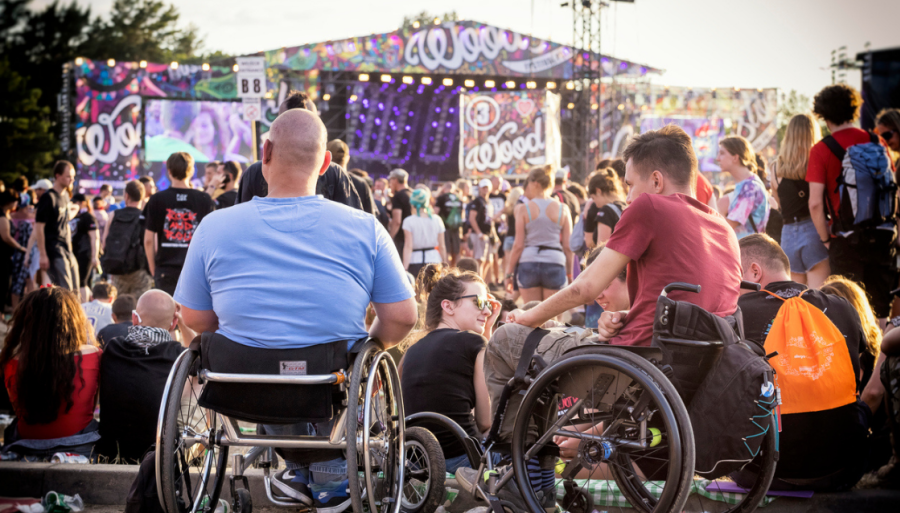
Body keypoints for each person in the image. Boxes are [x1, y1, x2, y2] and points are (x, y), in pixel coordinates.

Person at [175, 108, 417, 511]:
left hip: (240, 380)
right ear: (326, 163)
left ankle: (301, 468)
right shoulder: (365, 227)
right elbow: (402, 318)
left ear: (264, 153)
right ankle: (323, 469)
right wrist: (369, 348)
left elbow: (196, 321)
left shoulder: (214, 227)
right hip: (328, 379)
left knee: (271, 365)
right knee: (331, 367)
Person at [509, 125, 741, 346]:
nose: (628, 197)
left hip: (635, 360)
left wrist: (527, 318)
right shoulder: (725, 230)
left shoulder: (650, 206)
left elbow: (585, 289)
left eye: (630, 184)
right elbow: (694, 313)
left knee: (507, 339)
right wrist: (626, 315)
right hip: (689, 369)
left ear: (657, 181)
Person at [736, 234, 869, 491]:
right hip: (843, 468)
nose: (731, 286)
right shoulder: (843, 307)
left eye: (733, 276)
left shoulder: (738, 312)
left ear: (754, 272)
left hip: (764, 473)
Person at [807, 84, 897, 324]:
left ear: (823, 115)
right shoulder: (876, 141)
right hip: (881, 236)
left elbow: (815, 203)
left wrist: (826, 239)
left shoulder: (821, 149)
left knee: (847, 308)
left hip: (845, 240)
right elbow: (892, 186)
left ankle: (855, 361)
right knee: (880, 311)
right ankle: (881, 361)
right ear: (854, 109)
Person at [400, 268, 501, 472]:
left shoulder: (411, 351)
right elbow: (485, 421)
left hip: (417, 462)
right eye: (479, 302)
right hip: (463, 459)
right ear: (448, 306)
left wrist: (487, 330)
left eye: (488, 304)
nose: (488, 311)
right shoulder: (473, 343)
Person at [0, 287, 101, 458]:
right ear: (74, 320)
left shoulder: (10, 362)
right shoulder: (95, 356)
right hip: (80, 445)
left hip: (26, 445)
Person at [97, 290, 191, 462]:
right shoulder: (178, 354)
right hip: (159, 454)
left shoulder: (112, 348)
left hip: (112, 451)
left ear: (134, 318)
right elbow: (198, 356)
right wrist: (182, 323)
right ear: (173, 324)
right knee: (196, 380)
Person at [235, 91, 362, 211]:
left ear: (266, 150)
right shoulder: (335, 174)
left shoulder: (254, 173)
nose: (299, 127)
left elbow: (241, 224)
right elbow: (354, 226)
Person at [769, 113, 830, 288]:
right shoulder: (817, 163)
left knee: (795, 299)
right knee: (819, 298)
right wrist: (827, 240)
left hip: (788, 235)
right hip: (814, 231)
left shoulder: (775, 168)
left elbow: (780, 205)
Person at [143, 152, 217, 296]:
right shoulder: (204, 199)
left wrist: (154, 270)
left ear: (169, 171)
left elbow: (148, 240)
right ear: (191, 171)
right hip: (196, 270)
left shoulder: (157, 199)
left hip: (165, 270)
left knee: (168, 315)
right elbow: (211, 238)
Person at [504, 166, 573, 302]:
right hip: (555, 261)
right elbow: (568, 247)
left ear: (535, 184)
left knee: (532, 314)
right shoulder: (562, 209)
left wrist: (509, 273)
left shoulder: (523, 209)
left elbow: (518, 245)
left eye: (528, 182)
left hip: (529, 261)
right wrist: (569, 273)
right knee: (552, 318)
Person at [103, 180, 153, 299]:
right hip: (140, 271)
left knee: (121, 306)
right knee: (140, 308)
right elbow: (150, 243)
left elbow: (104, 243)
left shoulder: (113, 215)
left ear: (126, 196)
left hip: (118, 270)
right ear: (143, 196)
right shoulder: (145, 217)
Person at [35, 161, 78, 290]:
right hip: (54, 249)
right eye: (68, 176)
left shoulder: (65, 195)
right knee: (65, 290)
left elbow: (63, 221)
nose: (72, 180)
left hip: (67, 249)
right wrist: (43, 254)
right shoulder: (48, 197)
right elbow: (39, 227)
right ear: (57, 176)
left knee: (75, 288)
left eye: (73, 176)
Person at [717, 136, 769, 238]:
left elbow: (729, 225)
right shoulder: (747, 184)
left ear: (735, 157)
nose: (717, 158)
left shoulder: (749, 187)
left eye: (722, 153)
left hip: (747, 249)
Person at [402, 188, 447, 279]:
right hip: (434, 260)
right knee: (434, 291)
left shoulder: (409, 221)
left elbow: (408, 246)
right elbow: (442, 246)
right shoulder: (437, 219)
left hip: (415, 260)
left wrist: (404, 268)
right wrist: (445, 264)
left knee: (416, 291)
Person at [328, 140, 377, 216]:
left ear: (327, 157)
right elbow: (370, 218)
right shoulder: (361, 183)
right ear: (348, 158)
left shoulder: (316, 181)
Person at [583, 168, 626, 248]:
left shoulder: (606, 211)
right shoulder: (625, 206)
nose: (595, 203)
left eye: (593, 198)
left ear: (598, 191)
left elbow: (601, 248)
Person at [0, 191, 27, 312]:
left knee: (6, 284)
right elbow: (6, 237)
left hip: (7, 256)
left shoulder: (7, 215)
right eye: (16, 201)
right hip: (3, 256)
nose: (17, 204)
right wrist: (21, 248)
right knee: (3, 284)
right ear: (9, 202)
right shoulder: (2, 217)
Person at [69, 194, 99, 300]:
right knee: (73, 282)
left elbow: (95, 238)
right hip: (72, 252)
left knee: (82, 282)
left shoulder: (88, 217)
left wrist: (95, 256)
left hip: (84, 253)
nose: (73, 204)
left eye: (75, 202)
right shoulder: (72, 215)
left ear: (83, 203)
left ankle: (84, 308)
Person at [468, 179, 497, 279]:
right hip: (479, 235)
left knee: (488, 261)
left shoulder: (488, 202)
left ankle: (482, 282)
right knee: (479, 260)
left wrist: (494, 235)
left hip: (488, 234)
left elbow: (490, 220)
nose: (485, 189)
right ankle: (478, 282)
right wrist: (479, 233)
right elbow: (472, 218)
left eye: (487, 187)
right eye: (483, 187)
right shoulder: (477, 202)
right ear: (480, 188)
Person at [435, 181, 465, 267]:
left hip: (444, 228)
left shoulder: (441, 198)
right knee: (457, 252)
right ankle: (456, 270)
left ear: (444, 188)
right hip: (457, 228)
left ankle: (447, 271)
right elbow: (462, 216)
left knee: (446, 250)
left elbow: (436, 212)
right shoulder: (458, 198)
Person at [387, 168, 413, 254]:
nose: (390, 182)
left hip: (402, 238)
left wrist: (389, 238)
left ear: (395, 180)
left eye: (390, 180)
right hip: (413, 236)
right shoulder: (412, 193)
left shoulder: (398, 196)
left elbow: (397, 221)